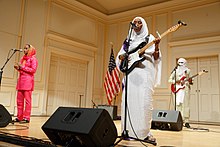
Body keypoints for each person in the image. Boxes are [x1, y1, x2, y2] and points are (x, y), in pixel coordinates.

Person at [116, 16, 162, 143]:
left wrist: (157, 46)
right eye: (134, 22)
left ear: (144, 25)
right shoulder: (128, 41)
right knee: (129, 103)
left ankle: (143, 132)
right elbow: (119, 57)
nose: (136, 24)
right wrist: (122, 57)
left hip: (144, 75)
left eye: (139, 22)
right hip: (130, 75)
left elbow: (157, 57)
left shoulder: (150, 38)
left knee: (144, 103)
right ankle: (128, 131)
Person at [12, 44, 38, 123]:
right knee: (19, 101)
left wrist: (22, 67)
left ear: (30, 50)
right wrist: (18, 68)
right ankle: (19, 117)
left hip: (28, 81)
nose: (24, 50)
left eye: (26, 48)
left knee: (27, 101)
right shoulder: (23, 59)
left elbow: (33, 70)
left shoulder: (33, 59)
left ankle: (27, 118)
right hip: (21, 81)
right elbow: (22, 70)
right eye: (24, 48)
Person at [168, 58, 193, 128]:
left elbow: (191, 81)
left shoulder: (188, 71)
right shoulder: (175, 71)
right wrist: (176, 81)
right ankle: (179, 120)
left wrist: (190, 81)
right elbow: (170, 80)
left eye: (182, 62)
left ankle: (186, 121)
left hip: (185, 89)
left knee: (186, 105)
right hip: (177, 90)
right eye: (179, 62)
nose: (180, 64)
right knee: (178, 105)